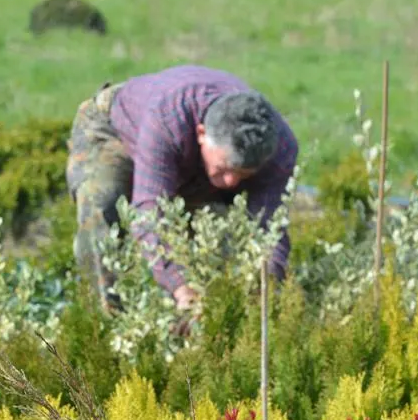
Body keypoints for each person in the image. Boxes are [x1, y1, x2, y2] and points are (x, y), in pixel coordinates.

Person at [65, 64, 299, 312]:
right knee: (102, 203)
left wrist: (268, 290)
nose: (232, 182)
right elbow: (149, 213)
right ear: (201, 134)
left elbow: (270, 229)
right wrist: (181, 287)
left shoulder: (278, 148)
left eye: (244, 174)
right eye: (226, 168)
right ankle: (104, 323)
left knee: (216, 237)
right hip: (114, 129)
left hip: (189, 158)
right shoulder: (168, 120)